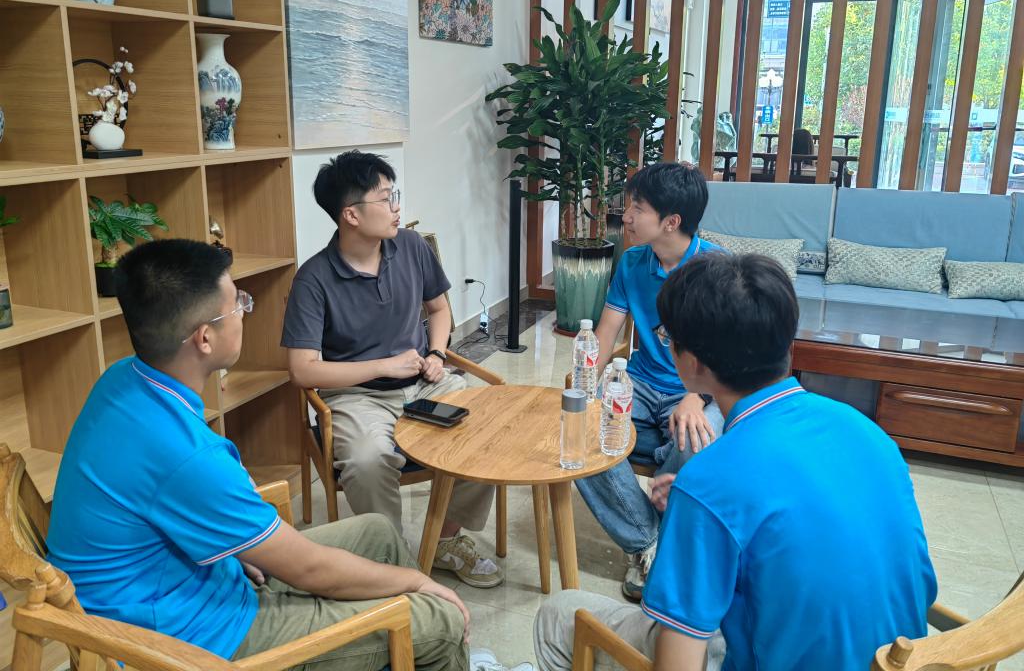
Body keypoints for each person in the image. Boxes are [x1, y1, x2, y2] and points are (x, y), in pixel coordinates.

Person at [46, 239, 474, 670]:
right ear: (205, 338)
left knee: (379, 534)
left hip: (184, 590)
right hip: (190, 644)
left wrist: (235, 550)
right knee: (439, 618)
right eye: (238, 304)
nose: (244, 312)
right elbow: (309, 570)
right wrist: (417, 582)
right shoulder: (186, 457)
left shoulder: (124, 379)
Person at [535, 253, 938, 671]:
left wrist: (700, 504)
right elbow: (918, 589)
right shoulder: (870, 435)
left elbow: (677, 666)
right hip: (901, 660)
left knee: (558, 615)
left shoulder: (710, 481)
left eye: (667, 337)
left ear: (691, 363)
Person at [282, 151, 501, 588]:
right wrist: (384, 365)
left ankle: (445, 539)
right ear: (351, 215)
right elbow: (302, 371)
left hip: (422, 384)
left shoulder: (412, 247)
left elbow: (439, 310)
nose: (397, 207)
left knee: (486, 429)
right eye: (386, 198)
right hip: (355, 396)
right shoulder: (314, 279)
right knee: (367, 459)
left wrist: (436, 354)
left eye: (394, 195)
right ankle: (393, 559)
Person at [576, 161, 724, 600]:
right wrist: (586, 385)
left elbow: (730, 353)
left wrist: (697, 397)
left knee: (696, 438)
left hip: (695, 388)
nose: (625, 217)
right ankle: (647, 542)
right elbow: (606, 334)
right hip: (638, 382)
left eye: (637, 209)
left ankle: (663, 545)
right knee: (579, 429)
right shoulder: (632, 262)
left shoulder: (716, 268)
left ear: (671, 222)